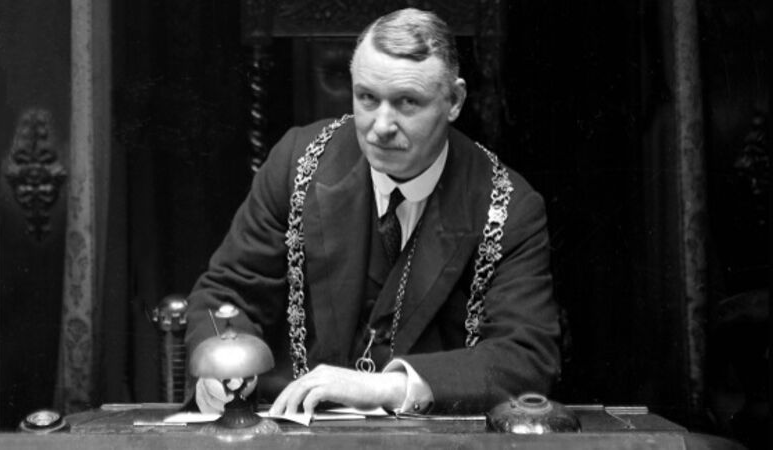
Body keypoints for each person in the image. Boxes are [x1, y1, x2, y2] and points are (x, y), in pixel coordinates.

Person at [185, 7, 559, 417]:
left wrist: (388, 387)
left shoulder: (507, 206)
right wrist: (220, 369)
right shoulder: (297, 164)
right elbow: (224, 297)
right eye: (367, 98)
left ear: (454, 101)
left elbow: (526, 357)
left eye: (407, 102)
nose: (381, 125)